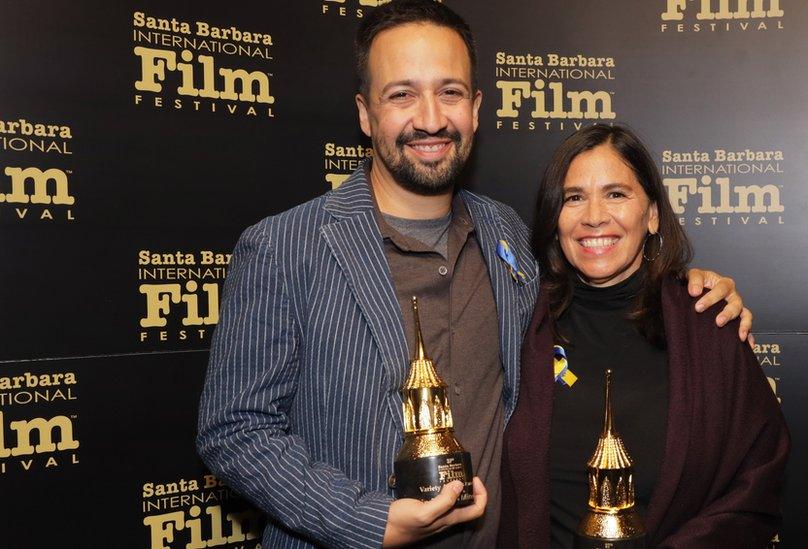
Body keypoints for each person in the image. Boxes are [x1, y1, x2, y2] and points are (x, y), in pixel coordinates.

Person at [196, 2, 752, 548]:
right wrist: (370, 522)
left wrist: (684, 289)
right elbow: (235, 431)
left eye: (450, 92)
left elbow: (601, 286)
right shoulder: (284, 247)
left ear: (477, 107)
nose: (432, 118)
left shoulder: (505, 234)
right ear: (365, 113)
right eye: (402, 94)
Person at [501, 125, 790, 548]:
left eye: (616, 194)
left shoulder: (708, 326)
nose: (594, 215)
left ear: (652, 214)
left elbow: (758, 480)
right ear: (554, 217)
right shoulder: (519, 321)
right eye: (574, 197)